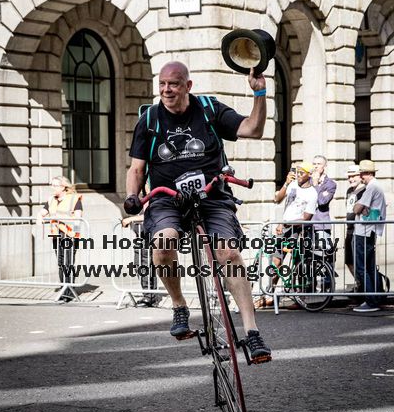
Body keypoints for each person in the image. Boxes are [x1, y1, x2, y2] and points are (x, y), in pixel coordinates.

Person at [124, 60, 271, 360]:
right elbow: (137, 169)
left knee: (228, 253)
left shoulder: (209, 109)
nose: (166, 90)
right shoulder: (149, 119)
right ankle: (179, 306)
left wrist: (260, 94)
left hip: (211, 195)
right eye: (162, 84)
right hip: (167, 198)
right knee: (163, 243)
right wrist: (131, 196)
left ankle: (252, 333)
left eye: (174, 84)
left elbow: (253, 129)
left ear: (188, 86)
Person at [254, 162, 318, 308]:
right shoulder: (293, 185)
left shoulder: (312, 193)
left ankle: (299, 298)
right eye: (297, 172)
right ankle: (269, 295)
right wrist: (285, 183)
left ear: (309, 175)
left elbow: (306, 218)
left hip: (297, 230)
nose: (299, 176)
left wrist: (286, 224)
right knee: (276, 262)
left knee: (296, 265)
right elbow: (277, 199)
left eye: (302, 173)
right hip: (283, 228)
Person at [36, 176, 82, 302]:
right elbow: (43, 212)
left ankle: (69, 291)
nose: (53, 187)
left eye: (55, 185)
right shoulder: (51, 200)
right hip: (56, 235)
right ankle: (63, 289)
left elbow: (78, 218)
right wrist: (39, 216)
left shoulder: (74, 198)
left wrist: (58, 217)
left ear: (63, 187)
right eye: (52, 185)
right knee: (61, 263)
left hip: (70, 235)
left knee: (68, 263)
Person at [352, 160, 387, 313]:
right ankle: (377, 297)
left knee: (362, 267)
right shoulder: (375, 187)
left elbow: (357, 208)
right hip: (369, 231)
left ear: (369, 174)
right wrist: (360, 208)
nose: (361, 177)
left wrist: (358, 207)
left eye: (362, 174)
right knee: (370, 266)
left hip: (364, 231)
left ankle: (371, 301)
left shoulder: (371, 188)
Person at [122, 213, 162, 307]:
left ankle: (149, 296)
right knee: (141, 266)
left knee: (143, 266)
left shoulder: (147, 199)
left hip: (146, 236)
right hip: (141, 236)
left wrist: (130, 219)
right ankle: (150, 295)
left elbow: (148, 214)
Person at [344, 164, 365, 283]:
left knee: (360, 261)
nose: (351, 179)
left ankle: (364, 285)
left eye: (354, 176)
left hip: (360, 230)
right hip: (350, 228)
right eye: (349, 176)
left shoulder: (364, 190)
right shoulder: (349, 191)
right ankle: (359, 283)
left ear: (360, 176)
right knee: (349, 260)